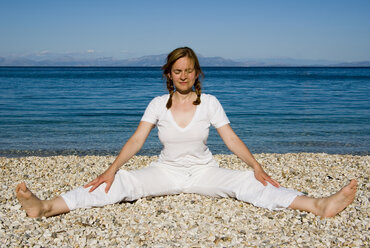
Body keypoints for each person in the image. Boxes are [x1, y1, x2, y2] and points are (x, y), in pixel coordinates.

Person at [16, 47, 357, 218]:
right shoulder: (155, 104)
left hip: (204, 172)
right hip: (165, 172)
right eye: (177, 71)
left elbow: (230, 138)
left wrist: (255, 165)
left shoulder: (209, 103)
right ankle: (45, 208)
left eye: (188, 70)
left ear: (196, 74)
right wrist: (112, 168)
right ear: (169, 74)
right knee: (117, 185)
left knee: (249, 184)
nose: (183, 76)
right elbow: (137, 139)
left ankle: (318, 205)